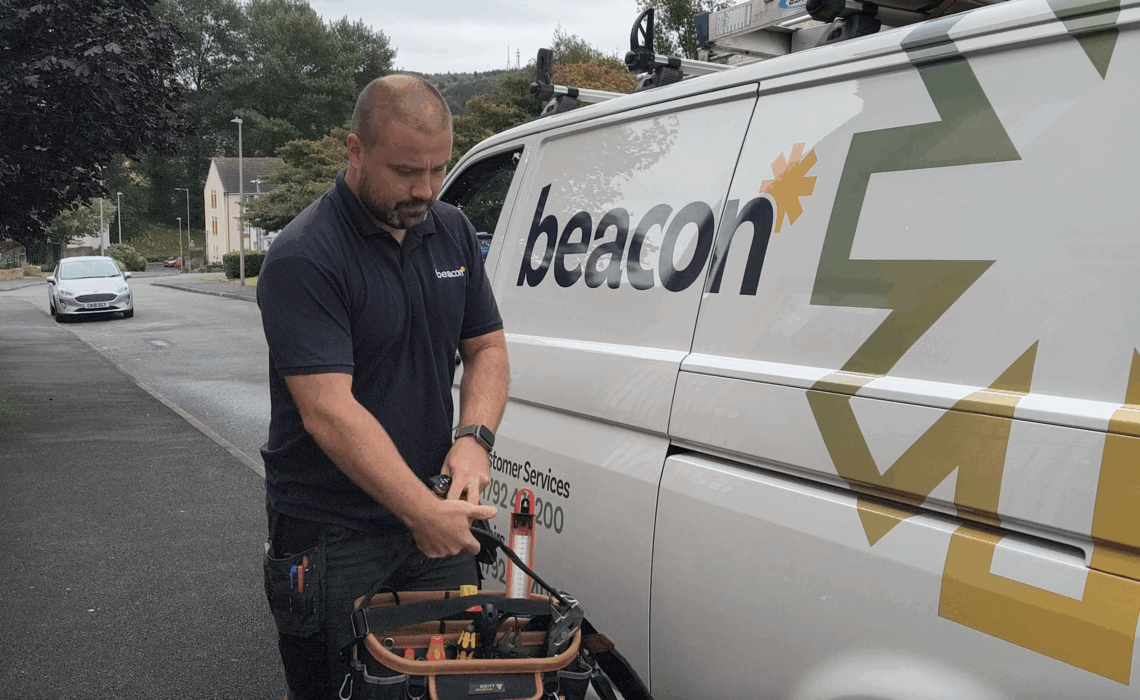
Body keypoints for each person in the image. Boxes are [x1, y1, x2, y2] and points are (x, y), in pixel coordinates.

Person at [256, 74, 508, 700]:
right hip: (333, 534)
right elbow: (328, 412)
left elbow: (487, 348)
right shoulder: (305, 256)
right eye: (404, 172)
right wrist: (422, 512)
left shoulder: (450, 232)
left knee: (447, 688)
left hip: (434, 516)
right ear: (355, 151)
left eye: (437, 169)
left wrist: (474, 440)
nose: (424, 190)